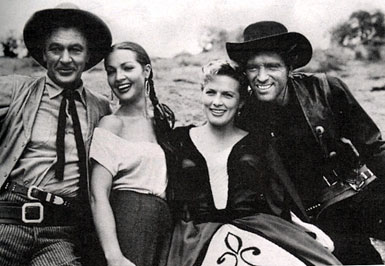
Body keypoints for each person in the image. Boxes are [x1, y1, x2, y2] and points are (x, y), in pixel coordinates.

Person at [226, 21, 385, 265]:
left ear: (289, 67)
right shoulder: (244, 118)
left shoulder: (326, 89)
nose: (262, 77)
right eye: (253, 68)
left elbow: (374, 148)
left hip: (356, 194)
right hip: (309, 218)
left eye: (272, 66)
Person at [166, 60, 341, 266]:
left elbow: (277, 198)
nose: (217, 102)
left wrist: (302, 227)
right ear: (202, 92)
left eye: (228, 95)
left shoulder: (257, 142)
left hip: (256, 229)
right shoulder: (178, 140)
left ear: (241, 102)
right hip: (195, 238)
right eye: (211, 92)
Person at [0, 3, 112, 266]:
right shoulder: (16, 90)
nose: (65, 59)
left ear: (87, 56)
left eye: (75, 49)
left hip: (59, 235)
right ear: (44, 53)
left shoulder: (101, 108)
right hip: (7, 220)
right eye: (56, 48)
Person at [89, 41, 175, 266]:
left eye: (127, 68)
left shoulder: (160, 122)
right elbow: (97, 194)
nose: (118, 77)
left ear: (146, 71)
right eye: (111, 71)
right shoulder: (112, 123)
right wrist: (114, 256)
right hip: (128, 220)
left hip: (162, 225)